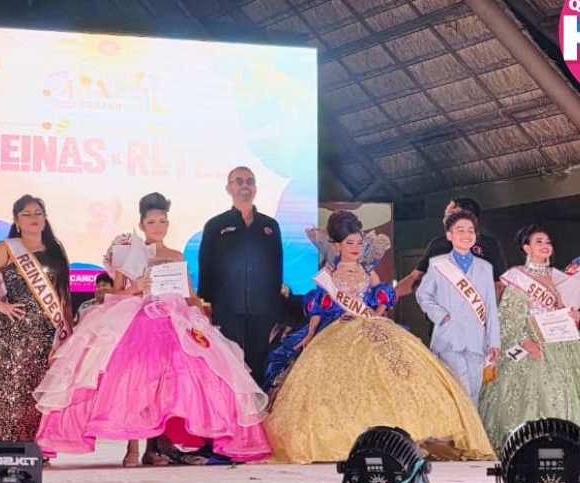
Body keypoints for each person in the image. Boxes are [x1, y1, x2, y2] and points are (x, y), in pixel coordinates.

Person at [34, 192, 270, 466]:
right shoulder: (128, 253)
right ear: (142, 225)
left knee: (172, 383)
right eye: (152, 222)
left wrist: (200, 315)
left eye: (162, 221)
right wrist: (136, 288)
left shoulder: (176, 256)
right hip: (135, 321)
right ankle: (132, 448)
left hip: (173, 322)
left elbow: (189, 295)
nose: (158, 227)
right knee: (132, 381)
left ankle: (154, 448)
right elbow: (113, 293)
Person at [264, 211, 495, 463]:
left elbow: (383, 294)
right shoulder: (328, 273)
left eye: (359, 242)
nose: (355, 248)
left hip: (371, 324)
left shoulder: (367, 270)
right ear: (338, 245)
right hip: (338, 328)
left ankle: (408, 431)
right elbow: (318, 307)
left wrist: (376, 313)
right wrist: (310, 332)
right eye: (349, 243)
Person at [479, 225, 580, 453]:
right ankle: (527, 447)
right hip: (530, 343)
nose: (545, 246)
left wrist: (572, 315)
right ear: (526, 248)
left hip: (558, 343)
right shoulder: (518, 277)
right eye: (538, 242)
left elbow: (559, 310)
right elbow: (508, 317)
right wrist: (524, 340)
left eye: (548, 242)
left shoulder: (554, 276)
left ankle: (566, 445)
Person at [0, 195, 71, 441]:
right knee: (6, 388)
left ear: (45, 218)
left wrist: (67, 329)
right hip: (12, 331)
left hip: (46, 331)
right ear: (17, 221)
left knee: (36, 388)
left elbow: (63, 292)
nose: (33, 218)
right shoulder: (8, 247)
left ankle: (32, 446)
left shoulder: (55, 249)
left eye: (38, 213)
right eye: (26, 214)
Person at [198, 166, 283, 386]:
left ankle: (257, 406)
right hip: (227, 309)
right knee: (229, 364)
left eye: (249, 181)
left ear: (255, 188)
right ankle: (232, 408)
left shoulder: (270, 226)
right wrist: (205, 306)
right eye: (239, 181)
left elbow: (277, 268)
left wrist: (275, 307)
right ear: (229, 188)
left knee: (258, 365)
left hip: (262, 310)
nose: (245, 185)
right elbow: (206, 267)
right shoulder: (216, 225)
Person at [416, 210, 500, 405]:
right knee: (462, 393)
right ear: (449, 235)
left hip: (477, 340)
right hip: (449, 338)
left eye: (470, 230)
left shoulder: (485, 267)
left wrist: (494, 341)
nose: (466, 234)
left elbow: (490, 306)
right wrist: (441, 315)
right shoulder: (438, 265)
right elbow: (422, 295)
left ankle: (469, 426)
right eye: (460, 230)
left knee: (474, 394)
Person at [396, 198, 507, 298]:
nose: (446, 219)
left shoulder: (489, 245)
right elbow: (415, 278)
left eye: (451, 215)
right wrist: (390, 295)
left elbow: (501, 284)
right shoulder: (437, 245)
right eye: (446, 215)